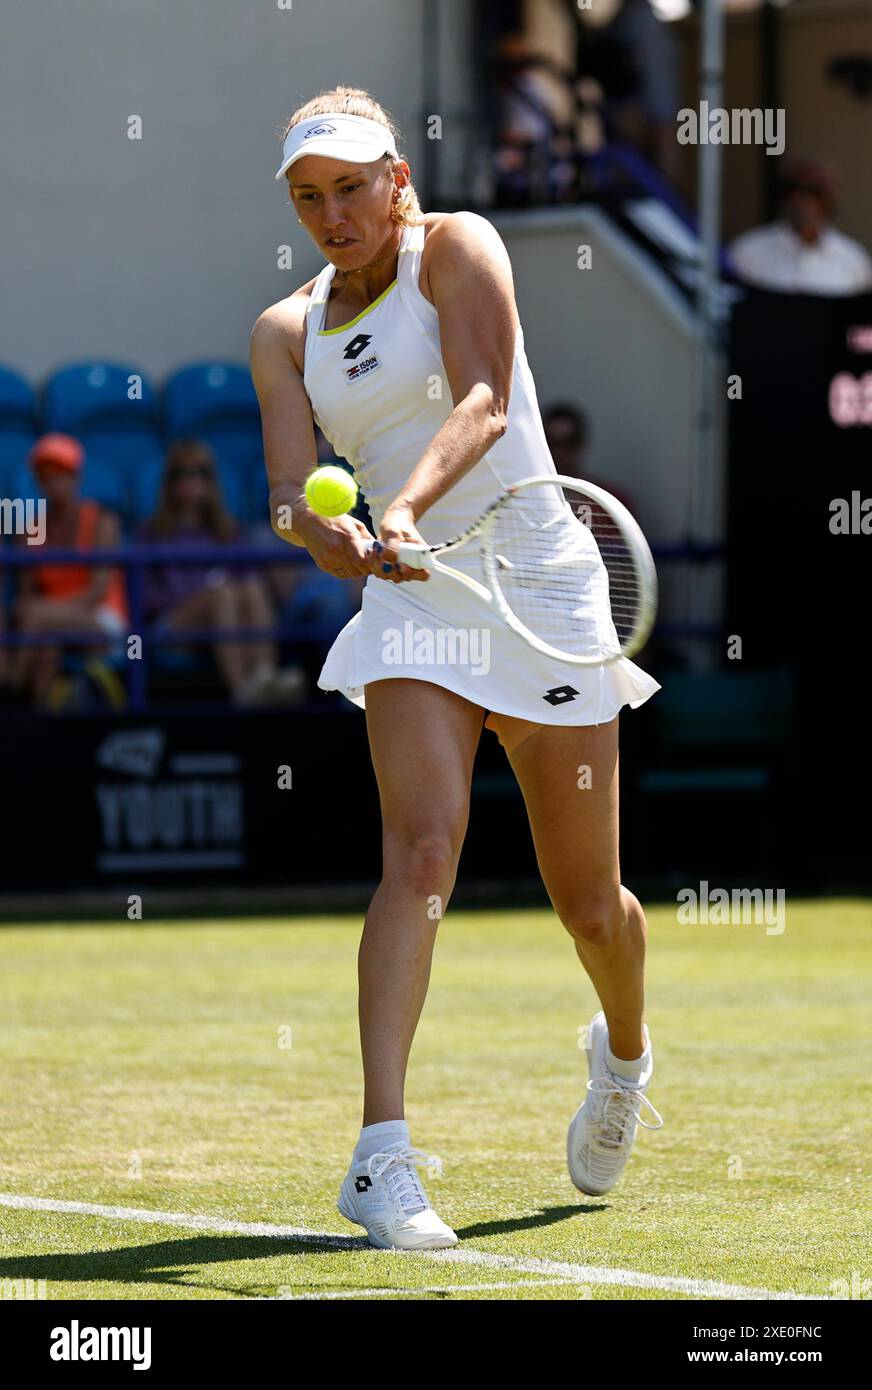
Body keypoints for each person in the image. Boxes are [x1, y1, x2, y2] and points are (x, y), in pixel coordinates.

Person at [251, 86, 662, 1252]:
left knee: (589, 904)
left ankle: (622, 1052)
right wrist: (326, 534)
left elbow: (482, 396)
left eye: (347, 188)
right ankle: (381, 1155)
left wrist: (407, 505)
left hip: (535, 584)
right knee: (419, 854)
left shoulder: (461, 247)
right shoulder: (283, 331)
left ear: (394, 179)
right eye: (307, 198)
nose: (331, 214)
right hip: (414, 606)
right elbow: (288, 492)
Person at [140, 440, 305, 706]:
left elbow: (249, 582)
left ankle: (265, 676)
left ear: (211, 482)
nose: (191, 482)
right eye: (181, 473)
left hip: (226, 616)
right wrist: (199, 597)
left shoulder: (228, 531)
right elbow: (147, 599)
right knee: (222, 593)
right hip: (171, 626)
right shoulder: (152, 534)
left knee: (249, 587)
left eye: (200, 473)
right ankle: (242, 692)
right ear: (169, 482)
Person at [11, 433, 128, 709]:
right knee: (47, 646)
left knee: (35, 616)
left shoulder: (102, 521)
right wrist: (43, 613)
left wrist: (44, 611)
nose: (53, 481)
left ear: (77, 477)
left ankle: (9, 686)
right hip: (46, 624)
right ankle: (36, 723)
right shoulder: (31, 528)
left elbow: (97, 592)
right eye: (45, 473)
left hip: (101, 619)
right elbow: (26, 592)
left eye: (61, 472)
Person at [728, 159, 872, 296]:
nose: (802, 201)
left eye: (813, 192)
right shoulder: (747, 252)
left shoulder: (853, 260)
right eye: (792, 190)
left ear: (828, 201)